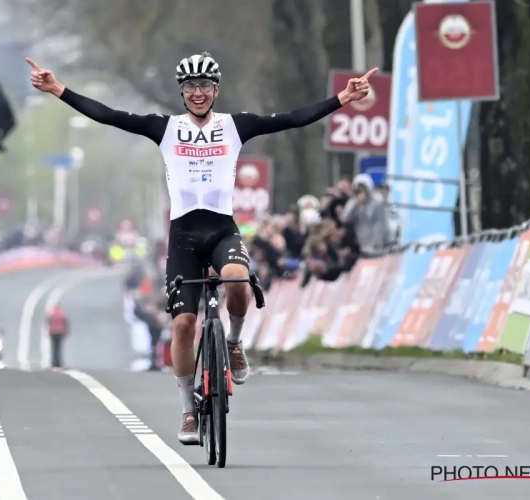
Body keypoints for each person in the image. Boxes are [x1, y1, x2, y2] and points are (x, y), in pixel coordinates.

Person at [26, 52, 377, 444]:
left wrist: (342, 99)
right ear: (181, 92)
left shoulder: (234, 126)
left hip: (222, 229)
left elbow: (293, 119)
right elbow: (110, 115)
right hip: (184, 237)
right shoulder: (165, 128)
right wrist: (58, 90)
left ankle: (234, 342)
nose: (197, 93)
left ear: (216, 90)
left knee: (237, 277)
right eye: (190, 87)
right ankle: (189, 412)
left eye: (205, 86)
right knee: (182, 325)